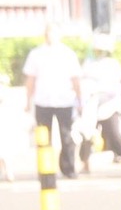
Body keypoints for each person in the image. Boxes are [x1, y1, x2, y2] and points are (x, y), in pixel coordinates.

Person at [22, 24, 82, 179]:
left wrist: (80, 100)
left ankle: (68, 168)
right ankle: (46, 169)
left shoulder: (68, 54)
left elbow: (75, 79)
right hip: (43, 100)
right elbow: (31, 79)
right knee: (43, 137)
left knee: (66, 135)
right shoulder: (36, 54)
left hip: (65, 100)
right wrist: (28, 100)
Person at [80, 37, 121, 168]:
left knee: (113, 133)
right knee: (87, 133)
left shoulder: (113, 65)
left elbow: (119, 84)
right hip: (92, 104)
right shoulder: (89, 64)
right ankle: (85, 162)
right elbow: (84, 82)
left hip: (109, 105)